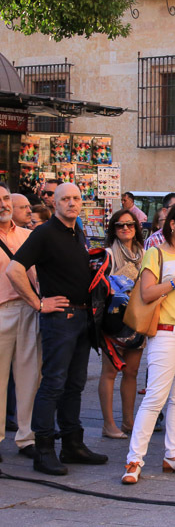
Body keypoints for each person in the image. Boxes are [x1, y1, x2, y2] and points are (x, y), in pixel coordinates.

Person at [7, 183, 107, 476]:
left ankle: (72, 444)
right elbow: (14, 269)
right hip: (59, 319)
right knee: (53, 383)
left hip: (82, 317)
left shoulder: (78, 231)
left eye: (76, 198)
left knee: (75, 384)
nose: (71, 203)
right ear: (55, 203)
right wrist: (38, 303)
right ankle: (44, 450)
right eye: (65, 199)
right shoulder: (44, 233)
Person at [122, 203, 175, 484]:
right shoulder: (155, 253)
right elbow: (147, 294)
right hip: (166, 331)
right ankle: (135, 459)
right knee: (155, 397)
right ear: (172, 225)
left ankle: (174, 454)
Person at [0, 184, 40, 463]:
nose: (3, 204)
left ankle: (27, 438)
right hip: (1, 311)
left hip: (29, 310)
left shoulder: (28, 236)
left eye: (5, 198)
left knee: (30, 377)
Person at [98, 210, 145, 439]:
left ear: (137, 227)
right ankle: (108, 424)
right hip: (113, 318)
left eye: (130, 224)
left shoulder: (144, 254)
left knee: (132, 372)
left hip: (137, 318)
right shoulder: (108, 254)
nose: (125, 228)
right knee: (109, 371)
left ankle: (128, 421)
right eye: (120, 225)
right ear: (113, 229)